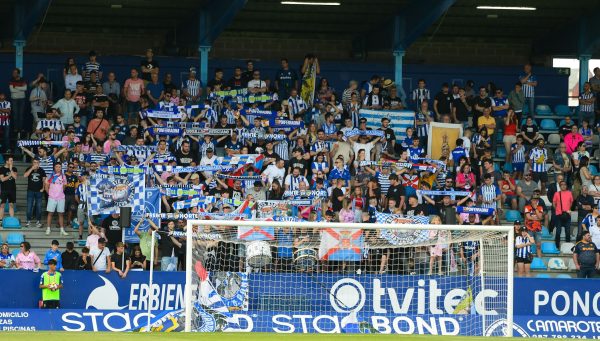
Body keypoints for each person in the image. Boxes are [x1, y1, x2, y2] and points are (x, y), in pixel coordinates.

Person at [45, 162, 69, 236]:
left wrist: (60, 192)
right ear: (54, 168)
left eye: (59, 167)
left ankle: (62, 229)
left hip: (61, 198)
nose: (58, 168)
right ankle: (48, 228)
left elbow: (64, 186)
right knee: (50, 213)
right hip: (52, 198)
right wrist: (50, 194)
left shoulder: (63, 176)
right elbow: (46, 186)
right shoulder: (50, 176)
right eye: (57, 167)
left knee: (61, 214)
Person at [24, 158, 46, 228]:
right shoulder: (29, 168)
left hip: (39, 191)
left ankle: (38, 221)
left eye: (37, 162)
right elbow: (25, 176)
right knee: (29, 206)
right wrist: (31, 169)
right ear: (32, 163)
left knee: (39, 207)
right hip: (30, 191)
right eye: (34, 162)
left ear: (39, 163)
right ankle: (28, 221)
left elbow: (44, 180)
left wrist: (43, 188)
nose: (36, 163)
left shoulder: (41, 170)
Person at [552, 181, 574, 249]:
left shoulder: (569, 193)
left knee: (568, 232)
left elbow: (571, 202)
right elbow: (554, 203)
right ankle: (557, 246)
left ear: (566, 186)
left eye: (565, 184)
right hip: (559, 215)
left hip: (567, 214)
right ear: (560, 186)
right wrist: (557, 210)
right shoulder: (556, 193)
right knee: (558, 231)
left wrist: (569, 210)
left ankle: (568, 247)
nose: (563, 186)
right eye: (562, 185)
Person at [0, 156, 18, 223]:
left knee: (11, 205)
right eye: (11, 160)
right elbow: (2, 179)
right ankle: (0, 220)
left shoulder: (14, 169)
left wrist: (11, 170)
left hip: (12, 189)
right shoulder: (1, 169)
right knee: (2, 205)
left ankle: (11, 220)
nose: (12, 162)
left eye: (12, 160)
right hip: (4, 189)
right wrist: (10, 175)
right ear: (7, 161)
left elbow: (15, 177)